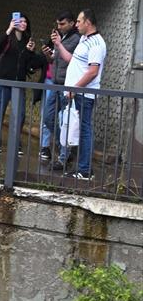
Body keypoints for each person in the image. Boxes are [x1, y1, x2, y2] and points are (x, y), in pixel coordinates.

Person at [50, 9, 106, 180]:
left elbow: (92, 72)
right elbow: (73, 60)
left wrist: (74, 88)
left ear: (88, 22)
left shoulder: (96, 43)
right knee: (77, 130)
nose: (76, 24)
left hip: (83, 95)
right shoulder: (84, 39)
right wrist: (59, 45)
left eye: (79, 21)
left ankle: (85, 170)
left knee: (84, 130)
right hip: (76, 93)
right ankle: (80, 167)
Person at [0, 14, 44, 155]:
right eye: (21, 21)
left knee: (20, 115)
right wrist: (9, 29)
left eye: (26, 21)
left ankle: (15, 143)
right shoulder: (8, 38)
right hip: (3, 80)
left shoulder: (27, 40)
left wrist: (31, 52)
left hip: (19, 83)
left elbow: (29, 64)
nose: (23, 23)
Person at [38, 11, 80, 163]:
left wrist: (59, 44)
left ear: (71, 23)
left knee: (65, 121)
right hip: (55, 84)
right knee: (48, 118)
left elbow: (72, 61)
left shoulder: (76, 39)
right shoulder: (63, 37)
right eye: (57, 24)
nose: (59, 27)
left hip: (67, 85)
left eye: (62, 24)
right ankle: (62, 145)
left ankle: (64, 155)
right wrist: (48, 54)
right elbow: (54, 60)